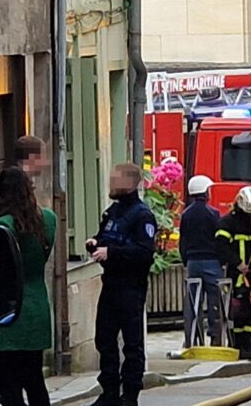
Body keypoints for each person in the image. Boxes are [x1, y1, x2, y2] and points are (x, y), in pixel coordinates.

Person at [0, 167, 58, 406]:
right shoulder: (48, 220)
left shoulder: (3, 225)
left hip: (10, 307)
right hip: (37, 304)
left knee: (10, 381)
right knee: (34, 379)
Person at [87, 164, 158, 406]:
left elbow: (144, 252)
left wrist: (112, 253)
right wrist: (95, 243)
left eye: (115, 180)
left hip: (131, 288)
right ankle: (108, 392)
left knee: (132, 344)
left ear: (129, 183)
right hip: (110, 286)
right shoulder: (112, 212)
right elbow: (104, 237)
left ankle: (130, 395)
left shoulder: (142, 215)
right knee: (104, 340)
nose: (111, 184)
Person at [215, 186, 251, 360]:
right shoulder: (227, 223)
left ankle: (249, 347)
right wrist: (238, 263)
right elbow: (221, 247)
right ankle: (238, 347)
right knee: (239, 313)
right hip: (237, 275)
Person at [179, 175, 224, 346]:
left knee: (193, 301)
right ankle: (215, 337)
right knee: (215, 300)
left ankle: (192, 339)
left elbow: (182, 240)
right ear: (205, 193)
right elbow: (219, 240)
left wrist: (186, 260)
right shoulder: (213, 214)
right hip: (212, 261)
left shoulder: (186, 215)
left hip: (193, 262)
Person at [0, 135, 49, 227]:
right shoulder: (8, 188)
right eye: (43, 157)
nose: (46, 162)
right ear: (32, 158)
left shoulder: (5, 185)